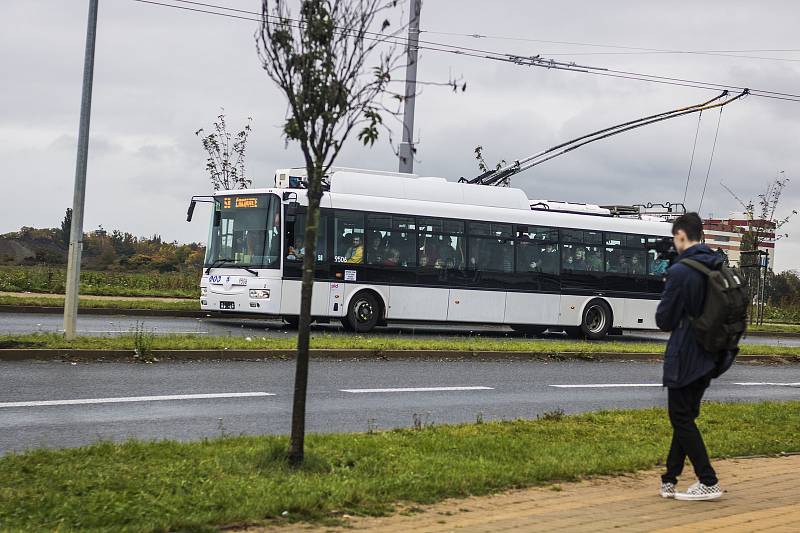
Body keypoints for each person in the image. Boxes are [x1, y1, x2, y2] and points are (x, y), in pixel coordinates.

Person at [656, 212, 724, 501]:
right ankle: (669, 480)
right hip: (710, 355)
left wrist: (669, 281)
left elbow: (664, 320)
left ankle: (707, 480)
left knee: (680, 418)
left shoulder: (681, 272)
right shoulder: (716, 265)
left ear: (681, 235)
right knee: (685, 418)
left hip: (685, 356)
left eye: (675, 237)